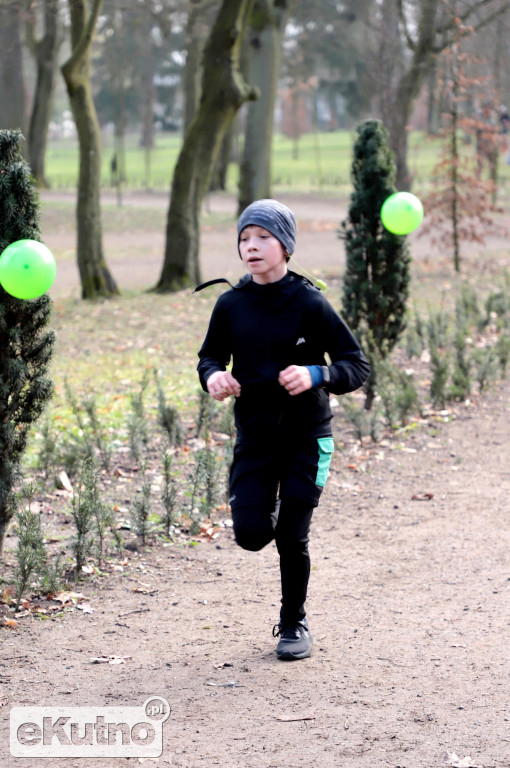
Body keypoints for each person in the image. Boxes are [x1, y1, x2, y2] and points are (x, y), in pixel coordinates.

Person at [196, 199, 370, 661]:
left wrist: (318, 374)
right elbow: (209, 357)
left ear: (286, 246)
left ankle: (293, 622)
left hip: (307, 438)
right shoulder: (231, 304)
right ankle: (267, 502)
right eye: (244, 239)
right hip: (254, 437)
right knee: (253, 534)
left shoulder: (311, 302)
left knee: (292, 536)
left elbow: (357, 365)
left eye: (262, 238)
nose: (250, 247)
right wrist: (213, 376)